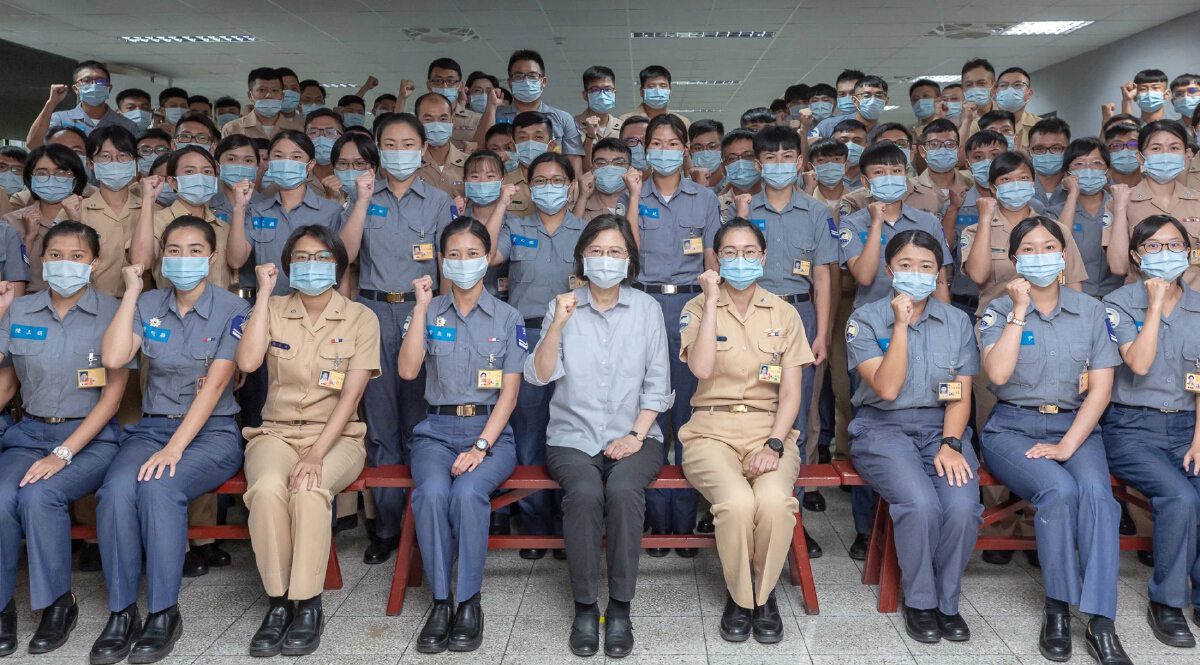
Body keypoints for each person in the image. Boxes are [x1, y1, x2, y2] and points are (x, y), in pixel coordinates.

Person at [91, 217, 249, 664]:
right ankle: (122, 612)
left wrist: (176, 448)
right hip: (153, 426)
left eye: (195, 250)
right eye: (174, 251)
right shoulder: (149, 304)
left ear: (213, 258)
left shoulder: (232, 308)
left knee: (160, 488)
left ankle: (163, 612)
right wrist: (132, 294)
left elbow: (217, 385)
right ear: (162, 256)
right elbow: (114, 357)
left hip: (212, 431)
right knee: (117, 491)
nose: (183, 260)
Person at [977, 216, 1128, 665]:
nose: (1040, 256)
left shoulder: (1092, 310)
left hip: (1076, 428)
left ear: (1064, 255)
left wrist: (1067, 445)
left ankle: (1101, 620)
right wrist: (1018, 311)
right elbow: (999, 374)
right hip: (1012, 427)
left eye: (1049, 247)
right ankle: (1057, 608)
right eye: (1029, 248)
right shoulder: (995, 310)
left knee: (1100, 496)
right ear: (1015, 258)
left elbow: (1101, 388)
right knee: (1058, 491)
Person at [525, 214, 670, 658]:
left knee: (625, 490)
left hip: (638, 432)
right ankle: (586, 608)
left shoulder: (646, 309)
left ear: (629, 261)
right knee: (586, 493)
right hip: (572, 434)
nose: (605, 260)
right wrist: (556, 326)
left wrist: (634, 435)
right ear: (582, 257)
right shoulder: (563, 305)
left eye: (615, 252)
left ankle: (621, 609)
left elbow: (658, 384)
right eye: (597, 251)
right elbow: (539, 375)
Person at [236, 225, 379, 656]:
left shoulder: (359, 318)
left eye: (321, 258)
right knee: (264, 490)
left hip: (337, 438)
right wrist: (262, 295)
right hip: (275, 432)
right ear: (286, 265)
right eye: (300, 257)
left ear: (338, 265)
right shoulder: (275, 308)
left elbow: (351, 395)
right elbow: (247, 360)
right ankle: (278, 601)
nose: (311, 266)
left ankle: (307, 602)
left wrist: (317, 455)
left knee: (309, 490)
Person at [678, 218, 813, 643]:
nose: (741, 260)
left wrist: (775, 443)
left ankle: (762, 590)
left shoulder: (784, 311)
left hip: (768, 428)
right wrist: (713, 297)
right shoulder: (698, 307)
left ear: (764, 257)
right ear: (716, 259)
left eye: (750, 252)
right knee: (736, 503)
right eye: (730, 253)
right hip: (710, 430)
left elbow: (792, 392)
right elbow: (699, 368)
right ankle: (744, 598)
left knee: (774, 502)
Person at [845, 229, 982, 643]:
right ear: (890, 270)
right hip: (881, 429)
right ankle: (921, 602)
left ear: (940, 273)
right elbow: (886, 388)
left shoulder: (956, 321)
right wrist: (900, 326)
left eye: (926, 266)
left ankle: (948, 602)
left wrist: (951, 443)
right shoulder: (865, 319)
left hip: (941, 430)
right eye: (906, 265)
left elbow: (961, 392)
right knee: (920, 504)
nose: (916, 273)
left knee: (961, 507)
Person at [0, 222, 130, 657]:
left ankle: (58, 603)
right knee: (1, 498)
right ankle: (2, 606)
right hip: (29, 432)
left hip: (89, 438)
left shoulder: (114, 312)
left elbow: (111, 399)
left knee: (40, 496)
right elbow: (6, 385)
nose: (64, 264)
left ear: (94, 263)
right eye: (55, 254)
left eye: (77, 256)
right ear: (41, 260)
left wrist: (63, 452)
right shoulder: (19, 310)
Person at [399, 217, 524, 654]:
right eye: (453, 254)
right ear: (442, 260)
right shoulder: (429, 312)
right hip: (434, 431)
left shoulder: (508, 317)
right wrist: (418, 308)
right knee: (431, 495)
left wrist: (481, 446)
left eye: (473, 254)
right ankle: (440, 601)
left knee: (468, 493)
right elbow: (408, 370)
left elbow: (509, 394)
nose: (463, 262)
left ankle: (469, 601)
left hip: (489, 432)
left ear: (488, 259)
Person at [338, 112, 454, 564]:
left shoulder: (440, 201)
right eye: (390, 143)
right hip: (370, 312)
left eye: (409, 143)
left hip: (421, 311)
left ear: (423, 149)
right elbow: (344, 255)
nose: (400, 151)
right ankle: (386, 527)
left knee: (421, 422)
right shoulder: (361, 197)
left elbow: (450, 266)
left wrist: (441, 322)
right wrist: (362, 201)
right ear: (378, 150)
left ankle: (423, 522)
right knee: (381, 424)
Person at [619, 112, 721, 556]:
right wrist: (634, 197)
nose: (662, 150)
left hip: (689, 307)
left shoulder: (705, 197)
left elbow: (713, 257)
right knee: (649, 410)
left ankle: (685, 517)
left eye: (670, 143)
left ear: (685, 149)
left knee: (689, 412)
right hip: (643, 303)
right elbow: (629, 256)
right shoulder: (635, 195)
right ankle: (655, 520)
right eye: (653, 143)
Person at [736, 125, 838, 550]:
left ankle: (793, 516)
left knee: (802, 416)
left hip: (800, 314)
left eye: (786, 157)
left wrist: (824, 334)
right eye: (769, 159)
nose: (779, 165)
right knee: (750, 406)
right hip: (752, 312)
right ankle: (746, 503)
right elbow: (731, 262)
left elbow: (823, 279)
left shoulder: (817, 213)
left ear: (800, 162)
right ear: (758, 165)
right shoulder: (742, 208)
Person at [1100, 214, 1200, 648]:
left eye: (1175, 245)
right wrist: (1155, 305)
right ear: (1137, 255)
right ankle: (1168, 601)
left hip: (1187, 426)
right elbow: (1137, 364)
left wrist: (1199, 438)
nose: (1167, 254)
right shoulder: (1118, 303)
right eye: (1154, 247)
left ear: (1190, 252)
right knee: (1180, 496)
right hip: (1131, 428)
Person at [484, 152, 585, 558]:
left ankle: (567, 526)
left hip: (576, 333)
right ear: (527, 184)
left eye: (557, 180)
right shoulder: (513, 224)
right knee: (527, 430)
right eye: (539, 180)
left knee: (571, 430)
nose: (549, 187)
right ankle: (535, 524)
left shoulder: (585, 229)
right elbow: (486, 257)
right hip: (525, 333)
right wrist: (500, 205)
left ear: (571, 186)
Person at [961, 151, 1088, 319]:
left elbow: (1072, 283)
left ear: (1033, 183)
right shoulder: (976, 231)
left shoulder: (1056, 230)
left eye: (1023, 178)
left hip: (1050, 323)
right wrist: (985, 219)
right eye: (1006, 179)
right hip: (998, 322)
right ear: (993, 187)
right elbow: (978, 276)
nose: (1016, 185)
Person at [838, 141, 953, 310]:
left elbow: (940, 277)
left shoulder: (928, 222)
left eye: (896, 171)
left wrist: (946, 320)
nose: (889, 178)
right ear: (865, 181)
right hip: (872, 317)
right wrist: (876, 223)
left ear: (905, 175)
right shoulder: (852, 224)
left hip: (922, 317)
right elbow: (864, 277)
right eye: (879, 172)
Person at [1107, 120, 1200, 291]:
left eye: (1174, 148)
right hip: (1140, 302)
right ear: (1140, 157)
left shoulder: (1197, 201)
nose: (1166, 155)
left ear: (1186, 154)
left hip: (1194, 301)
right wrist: (1121, 209)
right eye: (1156, 149)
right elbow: (1118, 267)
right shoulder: (1120, 201)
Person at [132, 145, 234, 291]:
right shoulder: (157, 221)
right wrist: (148, 200)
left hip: (218, 310)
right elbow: (140, 263)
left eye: (207, 172)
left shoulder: (222, 227)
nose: (199, 177)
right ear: (173, 182)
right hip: (170, 309)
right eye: (189, 171)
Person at [474, 49, 585, 174]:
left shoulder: (563, 119)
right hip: (506, 187)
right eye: (518, 76)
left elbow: (574, 164)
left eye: (532, 76)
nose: (526, 81)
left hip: (551, 187)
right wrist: (491, 106)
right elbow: (477, 149)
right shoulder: (495, 115)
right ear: (510, 83)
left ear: (543, 82)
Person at [3, 144, 88, 293]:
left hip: (78, 304)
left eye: (61, 173)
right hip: (26, 304)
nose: (51, 179)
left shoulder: (91, 216)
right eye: (42, 173)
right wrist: (28, 238)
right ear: (31, 179)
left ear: (74, 181)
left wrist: (74, 223)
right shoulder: (12, 221)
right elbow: (9, 275)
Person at [1048, 137, 1125, 298]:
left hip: (1117, 299)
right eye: (1079, 164)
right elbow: (1057, 246)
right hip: (1071, 298)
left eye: (1097, 163)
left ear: (1108, 171)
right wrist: (1072, 195)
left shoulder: (1120, 207)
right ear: (1066, 174)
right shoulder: (1054, 213)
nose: (1088, 170)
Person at [79, 124, 141, 297]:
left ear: (135, 161)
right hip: (90, 307)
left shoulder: (152, 210)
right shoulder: (77, 211)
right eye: (105, 156)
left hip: (138, 308)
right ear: (90, 163)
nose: (114, 162)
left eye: (123, 155)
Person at [26, 62, 139, 148]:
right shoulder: (60, 119)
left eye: (101, 81)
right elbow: (34, 145)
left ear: (109, 88)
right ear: (76, 89)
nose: (94, 85)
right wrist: (51, 103)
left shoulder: (127, 126)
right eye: (86, 80)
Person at [457, 149, 514, 303]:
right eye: (475, 176)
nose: (482, 182)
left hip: (501, 303)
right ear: (465, 181)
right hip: (461, 303)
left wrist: (502, 205)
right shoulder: (456, 219)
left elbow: (488, 256)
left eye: (490, 176)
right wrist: (456, 221)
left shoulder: (513, 223)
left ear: (503, 180)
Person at [414, 92, 467, 199]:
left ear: (453, 120)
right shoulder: (408, 165)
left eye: (443, 119)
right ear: (416, 122)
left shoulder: (469, 164)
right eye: (428, 119)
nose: (436, 125)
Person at [220, 68, 296, 140]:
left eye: (275, 90)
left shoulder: (296, 130)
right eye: (262, 90)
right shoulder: (232, 129)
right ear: (250, 95)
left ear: (282, 96)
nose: (269, 95)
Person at [575, 66, 623, 173]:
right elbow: (576, 168)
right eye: (595, 90)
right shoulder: (572, 125)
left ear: (614, 93)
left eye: (607, 89)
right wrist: (589, 137)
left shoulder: (622, 127)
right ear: (585, 95)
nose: (602, 94)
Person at [619, 65, 690, 128]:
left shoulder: (682, 122)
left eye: (663, 86)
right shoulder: (624, 121)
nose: (657, 90)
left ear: (670, 91)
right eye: (651, 86)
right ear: (641, 91)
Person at [717, 129, 762, 222]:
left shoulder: (776, 201)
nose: (741, 163)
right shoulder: (714, 206)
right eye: (732, 158)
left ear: (760, 162)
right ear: (723, 168)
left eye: (748, 156)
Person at [1029, 117, 1072, 209]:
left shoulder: (1081, 188)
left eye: (1056, 148)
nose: (1047, 154)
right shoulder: (1018, 188)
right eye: (1039, 149)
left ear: (1068, 150)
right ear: (1029, 152)